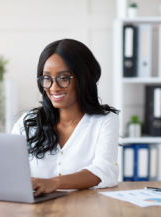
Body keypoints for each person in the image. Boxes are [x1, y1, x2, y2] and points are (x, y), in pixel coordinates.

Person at [11, 39, 119, 196]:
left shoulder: (105, 121)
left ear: (83, 78)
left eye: (63, 78)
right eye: (47, 78)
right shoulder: (27, 122)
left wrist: (54, 183)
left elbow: (105, 170)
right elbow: (8, 169)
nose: (54, 87)